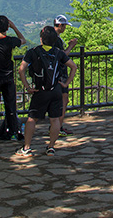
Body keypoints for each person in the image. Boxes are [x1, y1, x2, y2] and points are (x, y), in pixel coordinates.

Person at [16, 26, 77, 156]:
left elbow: (21, 69)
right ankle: (51, 147)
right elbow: (74, 67)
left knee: (32, 119)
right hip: (55, 90)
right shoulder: (58, 52)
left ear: (41, 38)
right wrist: (65, 83)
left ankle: (26, 148)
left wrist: (27, 86)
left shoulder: (33, 52)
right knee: (54, 119)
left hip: (40, 90)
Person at [0, 15, 26, 142]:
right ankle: (13, 133)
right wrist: (14, 27)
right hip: (8, 78)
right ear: (7, 26)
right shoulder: (11, 41)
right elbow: (23, 40)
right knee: (11, 106)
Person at [53, 14, 79, 136]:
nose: (65, 29)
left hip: (54, 74)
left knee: (59, 101)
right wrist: (71, 46)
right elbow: (62, 56)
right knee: (63, 100)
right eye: (64, 26)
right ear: (60, 25)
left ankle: (57, 126)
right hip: (60, 74)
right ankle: (58, 127)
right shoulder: (56, 39)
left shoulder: (51, 37)